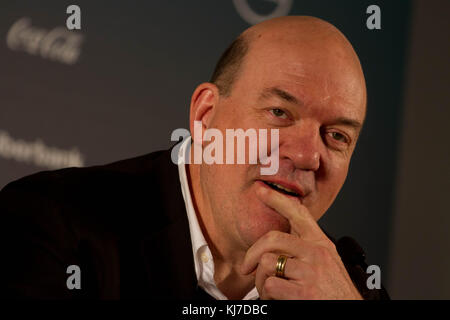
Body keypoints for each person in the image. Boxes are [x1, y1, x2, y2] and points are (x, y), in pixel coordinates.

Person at [0, 16, 389, 300]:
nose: (306, 155)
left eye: (336, 136)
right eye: (279, 113)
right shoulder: (50, 224)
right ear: (205, 116)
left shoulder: (347, 286)